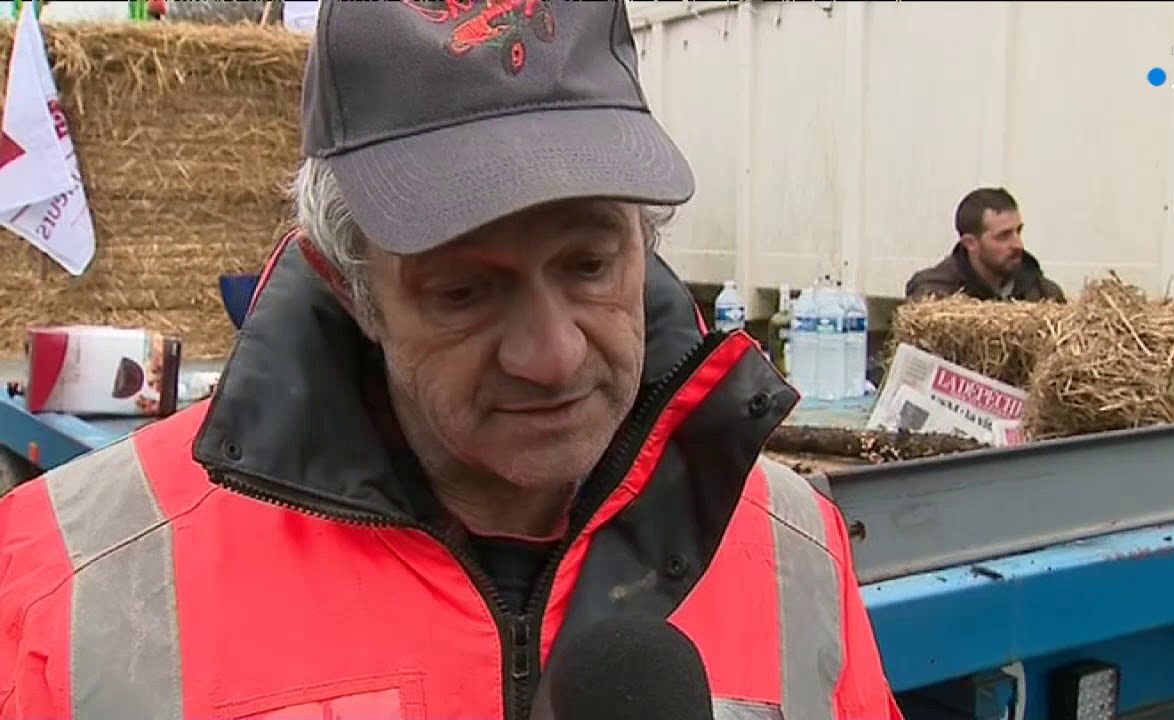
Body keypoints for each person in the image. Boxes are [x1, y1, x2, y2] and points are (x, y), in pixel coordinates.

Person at [0, 3, 903, 719]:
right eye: (464, 292)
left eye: (589, 265)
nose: (551, 356)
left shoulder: (793, 551)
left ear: (647, 240)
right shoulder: (65, 590)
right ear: (349, 286)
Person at [906, 187, 1066, 302]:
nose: (1018, 245)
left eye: (1018, 231)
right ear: (970, 243)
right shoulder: (935, 292)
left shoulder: (1045, 295)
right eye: (1004, 236)